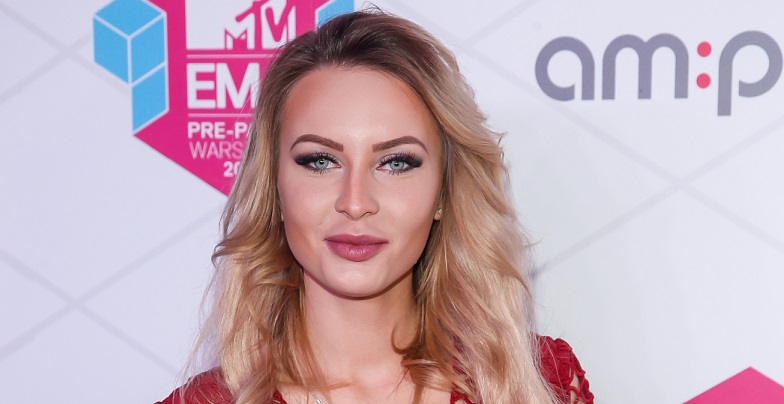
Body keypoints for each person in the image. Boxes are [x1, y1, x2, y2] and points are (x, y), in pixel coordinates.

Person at [158, 9, 593, 404]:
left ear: (444, 192)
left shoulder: (536, 384)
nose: (355, 203)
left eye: (396, 162)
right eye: (320, 161)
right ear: (274, 188)